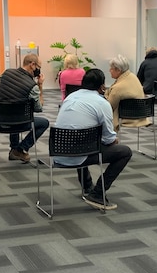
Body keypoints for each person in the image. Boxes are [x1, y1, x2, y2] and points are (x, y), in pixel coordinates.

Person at [55, 69, 132, 211]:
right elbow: (109, 139)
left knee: (83, 140)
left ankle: (87, 186)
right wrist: (113, 140)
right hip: (78, 154)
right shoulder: (102, 103)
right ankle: (97, 193)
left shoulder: (70, 97)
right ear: (102, 87)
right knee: (125, 152)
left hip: (58, 152)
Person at [0, 53, 49, 163]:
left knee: (13, 110)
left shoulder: (6, 73)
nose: (39, 70)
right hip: (20, 122)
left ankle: (14, 148)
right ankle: (20, 149)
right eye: (38, 67)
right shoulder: (32, 86)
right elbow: (39, 108)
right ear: (32, 65)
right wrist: (40, 86)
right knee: (44, 123)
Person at [105, 54, 147, 131]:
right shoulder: (132, 76)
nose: (109, 70)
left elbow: (109, 106)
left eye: (111, 68)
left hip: (127, 116)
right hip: (141, 114)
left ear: (118, 70)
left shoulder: (118, 87)